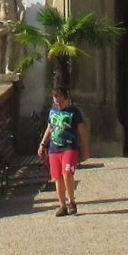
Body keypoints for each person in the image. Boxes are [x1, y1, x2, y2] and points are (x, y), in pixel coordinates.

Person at [36, 85, 90, 216]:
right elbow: (50, 128)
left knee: (67, 173)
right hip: (54, 148)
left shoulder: (74, 112)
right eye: (56, 102)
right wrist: (43, 144)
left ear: (67, 99)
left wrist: (86, 149)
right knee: (57, 177)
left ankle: (71, 201)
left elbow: (82, 131)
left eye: (60, 101)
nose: (58, 104)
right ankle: (62, 205)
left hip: (69, 147)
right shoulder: (53, 111)